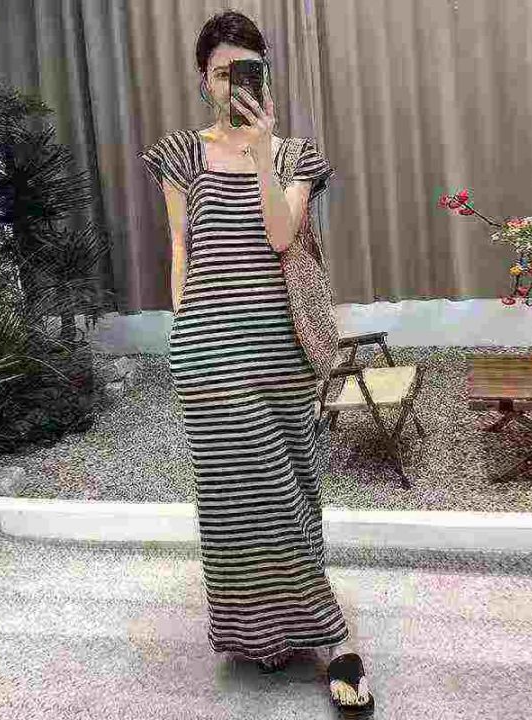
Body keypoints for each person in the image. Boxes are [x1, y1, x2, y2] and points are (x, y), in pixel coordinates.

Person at [140, 9, 372, 713]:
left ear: (265, 75)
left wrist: (264, 149)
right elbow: (181, 247)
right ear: (202, 79)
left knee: (293, 486)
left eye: (245, 71)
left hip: (280, 349)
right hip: (209, 347)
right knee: (240, 494)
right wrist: (181, 335)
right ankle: (301, 636)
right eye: (220, 73)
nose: (231, 84)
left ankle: (298, 630)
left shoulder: (295, 154)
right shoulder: (181, 154)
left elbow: (279, 235)